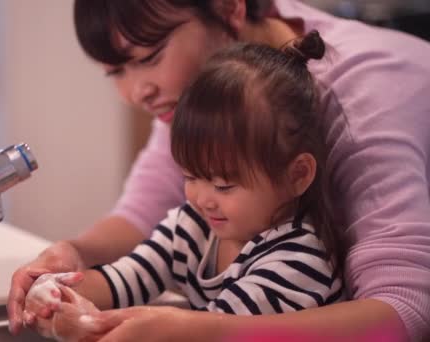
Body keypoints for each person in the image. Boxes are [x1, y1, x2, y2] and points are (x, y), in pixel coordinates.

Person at [8, 0, 430, 340]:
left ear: (229, 8)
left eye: (150, 57)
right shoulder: (213, 99)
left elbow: (404, 311)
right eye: (115, 70)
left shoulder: (358, 104)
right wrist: (72, 258)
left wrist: (200, 329)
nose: (135, 93)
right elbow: (141, 214)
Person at [22, 32, 346, 341]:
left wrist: (86, 324)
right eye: (191, 177)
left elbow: (202, 334)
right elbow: (124, 278)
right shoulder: (191, 226)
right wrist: (55, 292)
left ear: (297, 175)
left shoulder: (297, 264)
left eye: (224, 185)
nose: (202, 198)